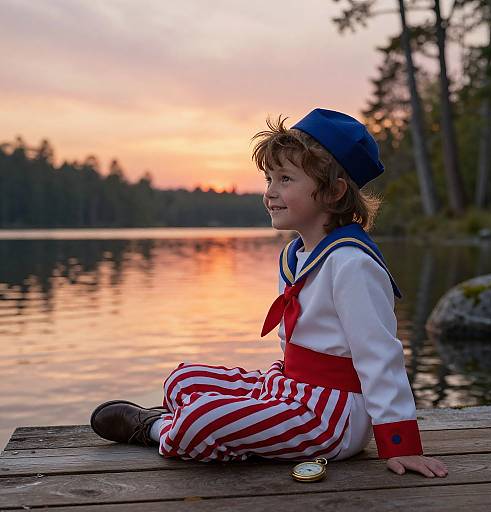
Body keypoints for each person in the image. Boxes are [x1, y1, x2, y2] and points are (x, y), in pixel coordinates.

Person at [90, 108, 448, 477]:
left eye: (285, 179)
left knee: (201, 419)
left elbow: (381, 357)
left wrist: (400, 444)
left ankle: (157, 429)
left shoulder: (352, 264)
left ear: (334, 192)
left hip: (332, 417)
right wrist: (274, 388)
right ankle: (207, 421)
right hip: (292, 386)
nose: (270, 193)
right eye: (268, 179)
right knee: (185, 379)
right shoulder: (297, 254)